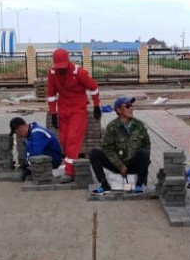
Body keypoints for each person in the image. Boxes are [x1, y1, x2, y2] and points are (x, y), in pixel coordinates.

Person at [47, 48, 102, 182]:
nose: (61, 70)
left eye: (63, 67)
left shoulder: (79, 72)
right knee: (64, 140)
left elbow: (94, 87)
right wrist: (53, 113)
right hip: (63, 110)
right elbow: (51, 94)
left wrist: (96, 105)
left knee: (73, 138)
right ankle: (69, 164)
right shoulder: (52, 73)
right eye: (59, 67)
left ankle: (69, 172)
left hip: (78, 109)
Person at [89, 96, 151, 195]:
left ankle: (139, 184)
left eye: (131, 106)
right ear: (118, 110)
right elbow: (107, 148)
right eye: (127, 106)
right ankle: (104, 185)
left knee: (143, 152)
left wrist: (144, 169)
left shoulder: (139, 125)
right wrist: (119, 165)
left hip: (133, 164)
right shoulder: (112, 126)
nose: (131, 108)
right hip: (117, 165)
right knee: (94, 153)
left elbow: (147, 145)